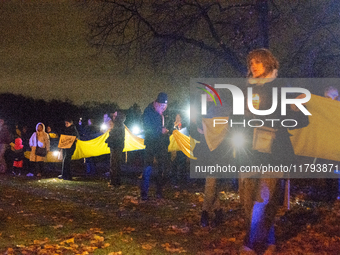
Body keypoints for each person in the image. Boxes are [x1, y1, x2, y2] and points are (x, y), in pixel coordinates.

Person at [239, 48, 308, 255]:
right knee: (248, 199)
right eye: (251, 62)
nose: (253, 65)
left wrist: (285, 117)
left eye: (258, 62)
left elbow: (300, 119)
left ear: (268, 63)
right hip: (251, 152)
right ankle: (270, 241)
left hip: (274, 152)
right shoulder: (247, 89)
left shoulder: (280, 87)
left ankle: (249, 243)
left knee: (263, 199)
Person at [140, 92, 169, 200]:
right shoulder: (148, 112)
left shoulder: (164, 113)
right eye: (162, 106)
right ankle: (144, 193)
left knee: (161, 169)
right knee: (147, 168)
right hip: (151, 144)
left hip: (161, 145)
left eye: (165, 106)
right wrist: (159, 130)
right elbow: (147, 127)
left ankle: (159, 191)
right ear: (156, 103)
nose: (164, 108)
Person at [105, 111, 126, 186]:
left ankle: (114, 182)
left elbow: (116, 136)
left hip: (116, 146)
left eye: (115, 116)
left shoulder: (118, 126)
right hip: (117, 146)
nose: (113, 117)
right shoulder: (119, 125)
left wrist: (110, 133)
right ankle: (116, 181)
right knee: (116, 164)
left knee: (114, 164)